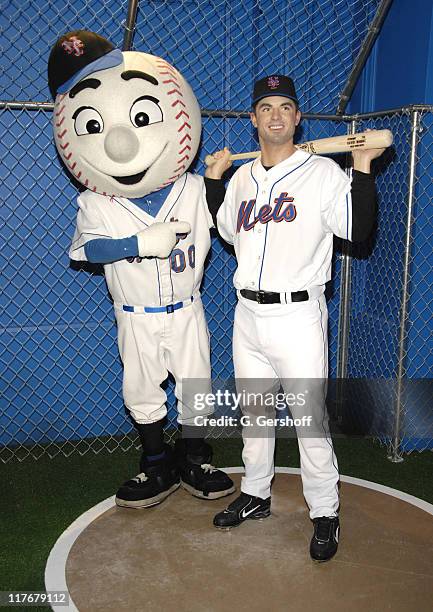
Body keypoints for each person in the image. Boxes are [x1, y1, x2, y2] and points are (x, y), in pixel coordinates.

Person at [48, 30, 234, 510]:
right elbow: (84, 253)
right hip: (135, 312)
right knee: (141, 387)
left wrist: (216, 178)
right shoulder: (95, 201)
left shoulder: (193, 189)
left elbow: (230, 221)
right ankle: (156, 463)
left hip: (186, 306)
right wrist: (137, 243)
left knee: (197, 384)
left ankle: (194, 457)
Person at [204, 74, 384, 561]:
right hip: (247, 315)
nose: (276, 114)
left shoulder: (323, 172)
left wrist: (362, 167)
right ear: (254, 120)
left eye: (286, 106)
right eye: (266, 107)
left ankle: (325, 511)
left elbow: (359, 229)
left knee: (310, 420)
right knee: (255, 415)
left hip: (299, 314)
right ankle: (256, 494)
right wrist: (213, 181)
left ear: (298, 118)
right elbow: (224, 227)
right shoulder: (242, 178)